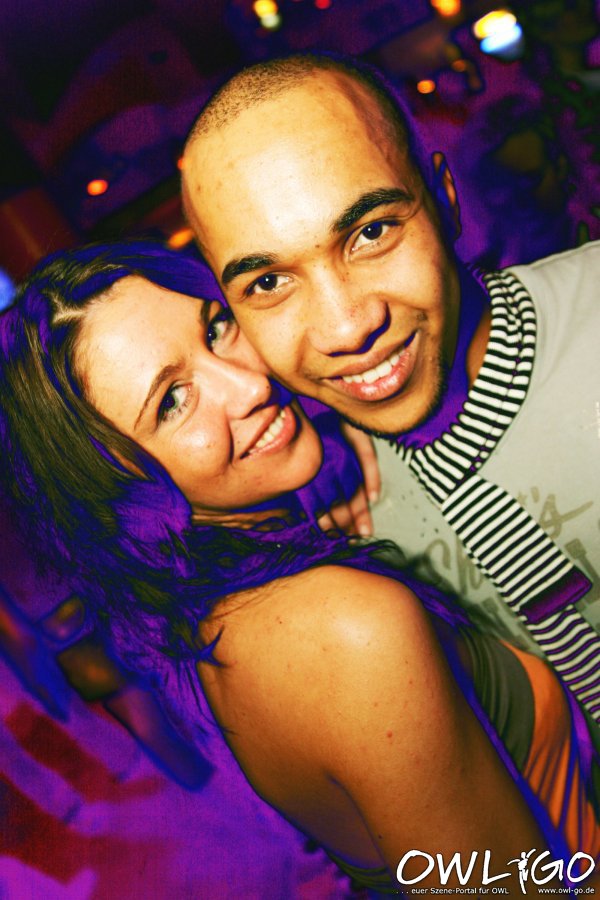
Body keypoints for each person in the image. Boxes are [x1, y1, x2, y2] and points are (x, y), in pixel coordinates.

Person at [1, 242, 598, 896]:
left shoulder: (229, 615)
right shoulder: (343, 631)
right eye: (172, 401)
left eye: (216, 329)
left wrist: (348, 425)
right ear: (121, 497)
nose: (252, 384)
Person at [181, 52, 600, 728]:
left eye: (371, 232)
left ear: (446, 201)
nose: (347, 328)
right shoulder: (324, 510)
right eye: (269, 282)